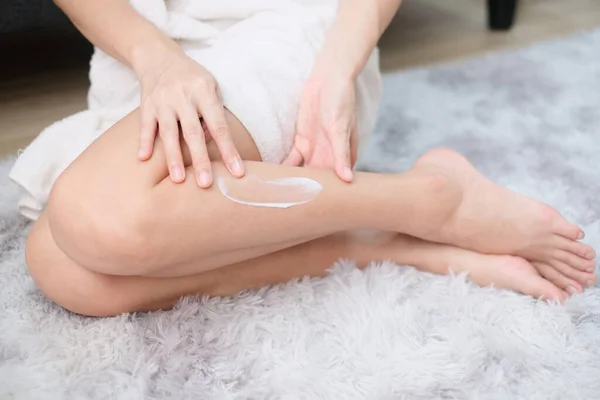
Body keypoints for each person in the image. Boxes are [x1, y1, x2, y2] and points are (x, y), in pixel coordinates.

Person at [24, 0, 595, 317]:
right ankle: (385, 238)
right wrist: (159, 63)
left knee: (96, 216)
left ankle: (435, 203)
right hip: (148, 51)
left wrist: (334, 70)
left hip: (298, 37)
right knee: (65, 268)